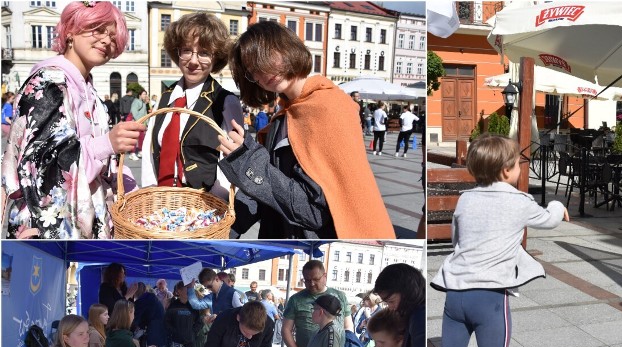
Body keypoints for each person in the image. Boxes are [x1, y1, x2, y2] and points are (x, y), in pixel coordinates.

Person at [426, 135, 570, 347]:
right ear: (507, 170)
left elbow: (457, 240)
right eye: (519, 164)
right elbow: (547, 220)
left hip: (455, 293)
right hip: (490, 298)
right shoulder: (519, 201)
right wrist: (558, 206)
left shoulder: (465, 199)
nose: (521, 169)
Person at [216, 21, 394, 239]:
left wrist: (248, 160)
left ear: (288, 48)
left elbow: (312, 212)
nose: (262, 72)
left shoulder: (330, 107)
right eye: (252, 71)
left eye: (266, 57)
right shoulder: (284, 116)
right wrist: (223, 226)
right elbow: (267, 194)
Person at [2, 1, 145, 239]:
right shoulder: (49, 83)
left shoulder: (86, 88)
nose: (106, 41)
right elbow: (43, 166)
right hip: (53, 230)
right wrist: (107, 143)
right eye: (97, 29)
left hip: (85, 224)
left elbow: (99, 161)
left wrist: (131, 189)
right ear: (71, 31)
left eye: (113, 36)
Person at [140, 13, 241, 203]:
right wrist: (151, 196)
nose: (193, 61)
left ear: (216, 56)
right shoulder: (164, 98)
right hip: (161, 202)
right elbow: (149, 151)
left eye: (203, 53)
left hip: (204, 206)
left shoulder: (226, 101)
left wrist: (213, 204)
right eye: (186, 50)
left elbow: (230, 161)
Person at [281, 260, 351, 347]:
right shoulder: (296, 299)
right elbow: (286, 330)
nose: (312, 283)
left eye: (316, 279)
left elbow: (348, 327)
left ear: (325, 276)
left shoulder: (340, 296)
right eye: (307, 280)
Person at [165, 281, 203, 347]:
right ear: (179, 291)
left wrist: (192, 333)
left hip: (190, 342)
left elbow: (199, 322)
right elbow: (166, 322)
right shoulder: (173, 305)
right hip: (176, 341)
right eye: (187, 289)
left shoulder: (193, 306)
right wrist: (174, 332)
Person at [133, 282, 168, 347]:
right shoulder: (150, 298)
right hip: (161, 334)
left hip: (155, 334)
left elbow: (136, 318)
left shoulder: (143, 299)